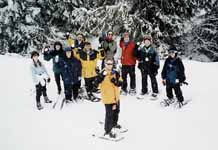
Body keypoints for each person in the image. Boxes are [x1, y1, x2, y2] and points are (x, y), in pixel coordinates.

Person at [94, 57, 123, 138]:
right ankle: (107, 130)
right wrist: (100, 77)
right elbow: (95, 85)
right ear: (105, 64)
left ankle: (114, 124)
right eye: (108, 64)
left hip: (116, 97)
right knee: (109, 114)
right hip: (108, 98)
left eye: (111, 64)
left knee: (116, 112)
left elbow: (121, 83)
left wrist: (115, 82)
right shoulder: (102, 73)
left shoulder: (115, 72)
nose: (110, 65)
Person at [119, 30, 137, 95]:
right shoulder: (122, 43)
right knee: (123, 77)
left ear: (129, 37)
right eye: (125, 37)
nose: (126, 38)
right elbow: (120, 43)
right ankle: (124, 88)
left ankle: (132, 88)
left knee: (132, 76)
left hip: (131, 63)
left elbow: (136, 53)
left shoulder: (133, 44)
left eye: (127, 36)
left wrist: (136, 53)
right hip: (124, 63)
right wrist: (121, 39)